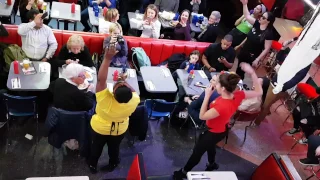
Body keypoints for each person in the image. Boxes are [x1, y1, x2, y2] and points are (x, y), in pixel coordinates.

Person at [173, 63, 263, 179]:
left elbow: (202, 116)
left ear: (223, 88)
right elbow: (259, 92)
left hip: (212, 132)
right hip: (222, 128)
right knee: (210, 147)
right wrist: (252, 73)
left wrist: (207, 95)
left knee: (197, 152)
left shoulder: (221, 106)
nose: (215, 84)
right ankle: (212, 164)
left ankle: (183, 172)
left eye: (217, 83)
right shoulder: (237, 95)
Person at [87, 44, 140, 174]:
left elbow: (101, 80)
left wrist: (107, 58)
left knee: (96, 147)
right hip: (119, 129)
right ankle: (113, 163)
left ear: (113, 93)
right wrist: (125, 82)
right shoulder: (134, 100)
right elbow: (133, 92)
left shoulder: (104, 99)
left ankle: (93, 165)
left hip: (100, 128)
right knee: (114, 148)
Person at [236, 0, 275, 79]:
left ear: (268, 21)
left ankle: (237, 85)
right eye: (262, 16)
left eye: (263, 18)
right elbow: (247, 16)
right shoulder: (257, 24)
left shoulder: (269, 34)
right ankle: (236, 84)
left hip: (252, 55)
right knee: (238, 68)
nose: (261, 18)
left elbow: (266, 49)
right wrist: (245, 4)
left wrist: (257, 59)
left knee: (241, 71)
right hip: (244, 50)